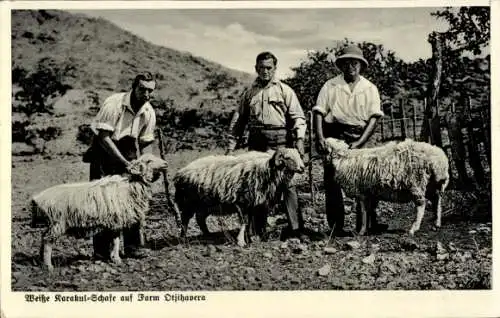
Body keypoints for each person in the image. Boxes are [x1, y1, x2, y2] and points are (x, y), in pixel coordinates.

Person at [226, 51, 308, 240]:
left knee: (288, 184)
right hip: (256, 142)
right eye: (261, 68)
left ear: (275, 69)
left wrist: (300, 141)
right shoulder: (249, 93)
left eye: (269, 68)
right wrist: (230, 148)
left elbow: (298, 117)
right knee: (256, 184)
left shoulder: (284, 90)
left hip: (280, 141)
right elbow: (238, 121)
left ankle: (296, 229)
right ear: (256, 68)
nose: (265, 71)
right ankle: (257, 230)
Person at [312, 45, 388, 236]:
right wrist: (320, 138)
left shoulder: (369, 88)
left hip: (361, 134)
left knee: (368, 179)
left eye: (354, 63)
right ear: (341, 66)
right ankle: (336, 227)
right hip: (335, 135)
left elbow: (374, 118)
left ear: (361, 65)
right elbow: (319, 112)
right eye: (346, 63)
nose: (350, 67)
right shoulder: (330, 86)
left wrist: (361, 141)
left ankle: (368, 223)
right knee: (333, 180)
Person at [84, 72, 157, 259]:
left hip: (129, 149)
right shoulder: (114, 104)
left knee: (133, 196)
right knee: (102, 200)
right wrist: (123, 163)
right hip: (104, 151)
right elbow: (103, 137)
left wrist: (149, 165)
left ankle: (133, 246)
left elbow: (146, 142)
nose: (146, 95)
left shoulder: (148, 112)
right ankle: (102, 250)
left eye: (150, 91)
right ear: (134, 87)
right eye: (142, 90)